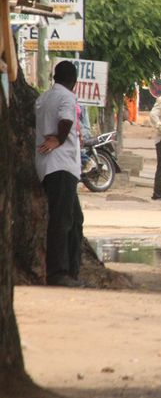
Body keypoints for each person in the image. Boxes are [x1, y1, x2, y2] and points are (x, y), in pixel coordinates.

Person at [35, 60, 85, 287]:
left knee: (74, 219)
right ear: (73, 80)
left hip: (50, 166)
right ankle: (58, 272)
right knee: (62, 220)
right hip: (61, 165)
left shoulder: (44, 97)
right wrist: (59, 139)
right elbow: (66, 119)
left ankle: (72, 270)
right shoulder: (66, 97)